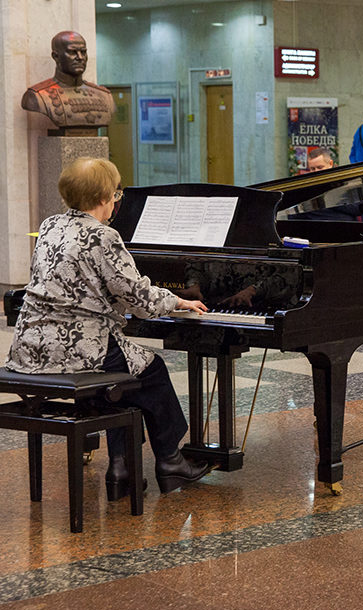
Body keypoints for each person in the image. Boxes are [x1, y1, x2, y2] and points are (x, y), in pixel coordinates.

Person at [7, 158, 213, 498]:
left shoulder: (50, 226)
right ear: (105, 197)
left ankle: (122, 466)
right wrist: (177, 301)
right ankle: (170, 459)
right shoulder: (103, 235)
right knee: (151, 370)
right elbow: (139, 298)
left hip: (30, 347)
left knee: (126, 376)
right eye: (115, 193)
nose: (117, 200)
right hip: (78, 349)